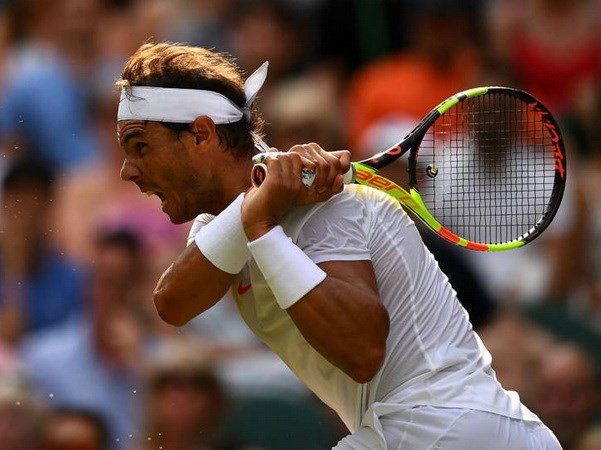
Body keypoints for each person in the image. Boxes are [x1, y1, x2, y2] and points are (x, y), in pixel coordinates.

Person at [116, 42, 562, 449]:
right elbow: (172, 303)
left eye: (140, 146)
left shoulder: (332, 206)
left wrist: (264, 226)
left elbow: (361, 352)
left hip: (448, 427)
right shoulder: (220, 223)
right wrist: (257, 206)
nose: (128, 171)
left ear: (201, 135)